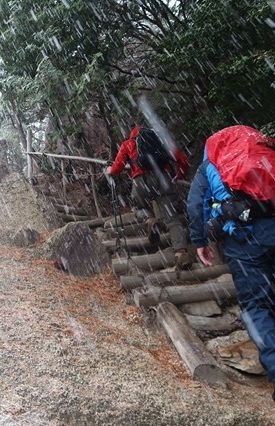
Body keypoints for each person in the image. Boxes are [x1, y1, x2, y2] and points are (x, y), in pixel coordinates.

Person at [187, 125, 275, 399]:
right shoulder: (265, 150)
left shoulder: (211, 164)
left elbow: (195, 204)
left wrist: (200, 242)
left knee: (255, 305)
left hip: (247, 241)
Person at [106, 125, 192, 269]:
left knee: (138, 207)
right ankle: (181, 253)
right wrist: (179, 175)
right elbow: (182, 159)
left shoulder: (128, 144)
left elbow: (117, 168)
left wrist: (110, 170)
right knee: (172, 218)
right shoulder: (160, 140)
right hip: (163, 179)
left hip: (142, 181)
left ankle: (150, 220)